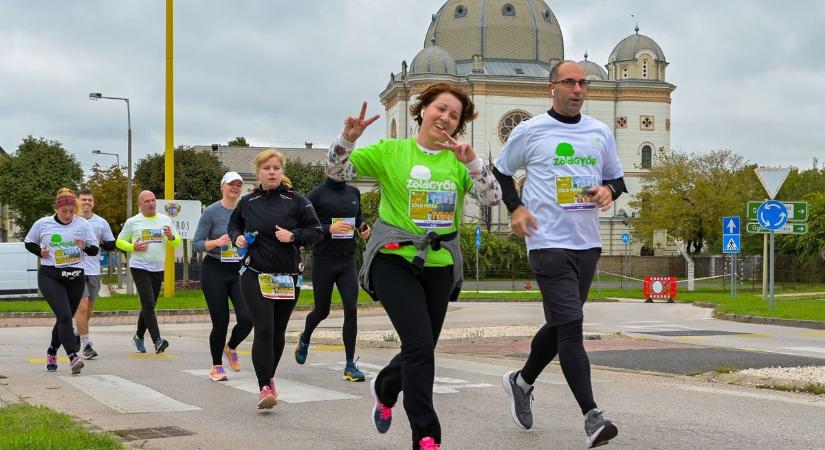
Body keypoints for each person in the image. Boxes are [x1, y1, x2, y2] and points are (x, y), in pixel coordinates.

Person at [326, 83, 501, 450]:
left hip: (438, 264)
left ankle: (386, 386)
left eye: (454, 115)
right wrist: (347, 138)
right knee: (420, 345)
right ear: (422, 110)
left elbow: (493, 198)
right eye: (441, 109)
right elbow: (337, 172)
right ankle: (426, 434)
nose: (446, 118)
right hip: (393, 258)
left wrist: (473, 162)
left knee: (420, 348)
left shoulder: (458, 160)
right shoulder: (392, 152)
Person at [492, 60, 626, 448]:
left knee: (559, 323)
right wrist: (516, 207)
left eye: (583, 83)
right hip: (546, 241)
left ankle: (521, 381)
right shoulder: (531, 131)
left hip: (588, 243)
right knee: (570, 327)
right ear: (551, 87)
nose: (578, 89)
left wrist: (608, 192)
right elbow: (500, 171)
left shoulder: (600, 132)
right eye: (570, 82)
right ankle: (592, 416)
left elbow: (615, 178)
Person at [228, 149, 323, 409]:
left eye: (276, 168)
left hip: (288, 276)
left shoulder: (297, 201)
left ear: (282, 172)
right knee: (265, 328)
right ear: (258, 172)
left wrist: (293, 236)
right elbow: (233, 225)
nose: (272, 172)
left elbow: (316, 231)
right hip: (256, 274)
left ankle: (269, 378)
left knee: (278, 332)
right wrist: (237, 236)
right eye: (267, 168)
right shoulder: (248, 202)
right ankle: (263, 387)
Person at [294, 176, 371, 382]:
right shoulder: (317, 195)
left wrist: (364, 228)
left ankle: (349, 365)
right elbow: (307, 227)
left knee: (351, 308)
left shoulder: (354, 192)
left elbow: (359, 218)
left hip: (346, 261)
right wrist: (329, 229)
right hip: (324, 260)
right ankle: (305, 337)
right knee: (322, 310)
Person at [25, 188, 99, 374]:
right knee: (65, 316)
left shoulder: (82, 224)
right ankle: (73, 357)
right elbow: (29, 242)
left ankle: (51, 351)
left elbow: (94, 250)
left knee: (63, 318)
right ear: (56, 209)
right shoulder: (44, 224)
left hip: (75, 277)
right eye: (64, 211)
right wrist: (40, 252)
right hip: (51, 276)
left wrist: (85, 246)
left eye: (71, 211)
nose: (68, 215)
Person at [192, 171, 254, 382]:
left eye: (238, 185)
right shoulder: (211, 212)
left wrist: (248, 241)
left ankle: (231, 347)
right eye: (231, 185)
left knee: (247, 318)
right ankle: (216, 365)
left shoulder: (245, 211)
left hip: (238, 270)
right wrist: (217, 242)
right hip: (214, 269)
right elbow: (197, 243)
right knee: (221, 321)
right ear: (222, 187)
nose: (235, 189)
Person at [117, 190, 181, 354]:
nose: (151, 203)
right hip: (139, 266)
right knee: (148, 304)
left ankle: (138, 336)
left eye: (153, 200)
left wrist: (171, 236)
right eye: (147, 201)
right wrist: (133, 247)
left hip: (157, 267)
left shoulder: (165, 220)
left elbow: (176, 242)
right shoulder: (133, 222)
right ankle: (157, 340)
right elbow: (119, 241)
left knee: (149, 305)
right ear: (140, 205)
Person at [73, 188, 116, 359]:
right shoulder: (72, 220)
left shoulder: (101, 222)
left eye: (89, 200)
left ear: (93, 203)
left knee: (89, 309)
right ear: (78, 201)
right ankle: (86, 345)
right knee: (82, 306)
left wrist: (98, 243)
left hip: (93, 270)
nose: (86, 203)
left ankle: (77, 332)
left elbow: (111, 244)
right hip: (76, 269)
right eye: (83, 200)